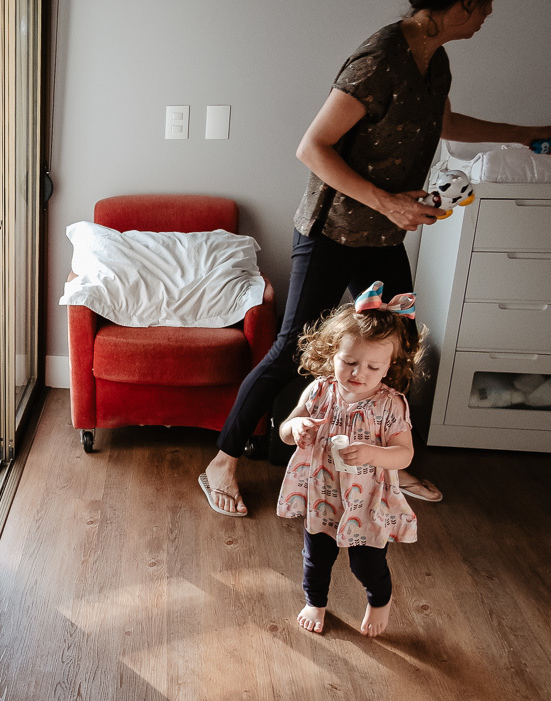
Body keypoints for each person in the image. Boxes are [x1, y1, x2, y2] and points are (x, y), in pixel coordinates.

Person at [198, 0, 551, 516]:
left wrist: (523, 135)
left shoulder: (436, 59)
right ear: (456, 5)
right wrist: (388, 201)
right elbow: (312, 147)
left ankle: (389, 458)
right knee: (290, 350)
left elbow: (443, 121)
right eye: (482, 8)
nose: (487, 16)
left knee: (398, 343)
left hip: (381, 237)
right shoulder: (380, 58)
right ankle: (223, 461)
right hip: (332, 232)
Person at [277, 283, 423, 637]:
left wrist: (374, 453)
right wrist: (297, 428)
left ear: (389, 367)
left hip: (367, 500)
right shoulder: (320, 390)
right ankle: (316, 601)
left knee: (367, 564)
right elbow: (284, 428)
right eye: (350, 362)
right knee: (316, 558)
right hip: (322, 493)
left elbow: (404, 455)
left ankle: (379, 601)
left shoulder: (390, 405)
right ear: (332, 354)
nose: (359, 373)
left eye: (373, 366)